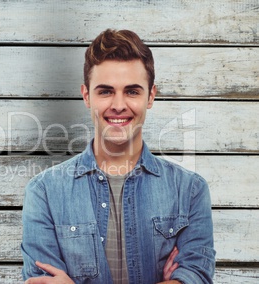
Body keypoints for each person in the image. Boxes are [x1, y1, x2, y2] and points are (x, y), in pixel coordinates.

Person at [21, 29, 216, 284]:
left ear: (151, 96)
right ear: (86, 96)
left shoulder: (190, 190)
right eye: (105, 91)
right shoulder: (44, 192)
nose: (119, 104)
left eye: (132, 91)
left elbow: (198, 276)